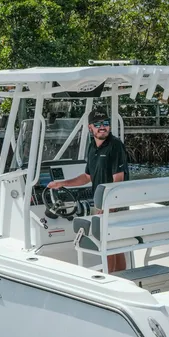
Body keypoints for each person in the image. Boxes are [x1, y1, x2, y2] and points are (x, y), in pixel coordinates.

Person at [48, 108, 129, 273]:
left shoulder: (115, 146)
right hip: (103, 203)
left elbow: (118, 179)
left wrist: (108, 206)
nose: (102, 127)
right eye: (97, 124)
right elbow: (87, 177)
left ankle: (109, 276)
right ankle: (119, 275)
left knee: (109, 243)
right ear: (90, 127)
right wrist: (62, 183)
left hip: (113, 203)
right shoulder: (92, 147)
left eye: (105, 123)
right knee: (115, 244)